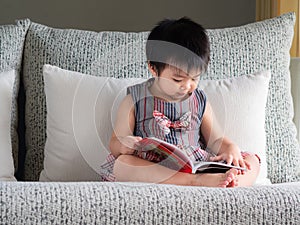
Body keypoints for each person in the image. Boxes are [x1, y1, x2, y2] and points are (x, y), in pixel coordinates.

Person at [100, 17, 260, 187]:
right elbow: (115, 142)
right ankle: (195, 182)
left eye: (194, 78)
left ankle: (232, 182)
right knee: (123, 164)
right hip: (154, 164)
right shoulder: (134, 99)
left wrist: (230, 149)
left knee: (251, 161)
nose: (187, 86)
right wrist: (125, 144)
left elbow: (216, 139)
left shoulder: (198, 100)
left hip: (194, 163)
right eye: (177, 80)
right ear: (153, 68)